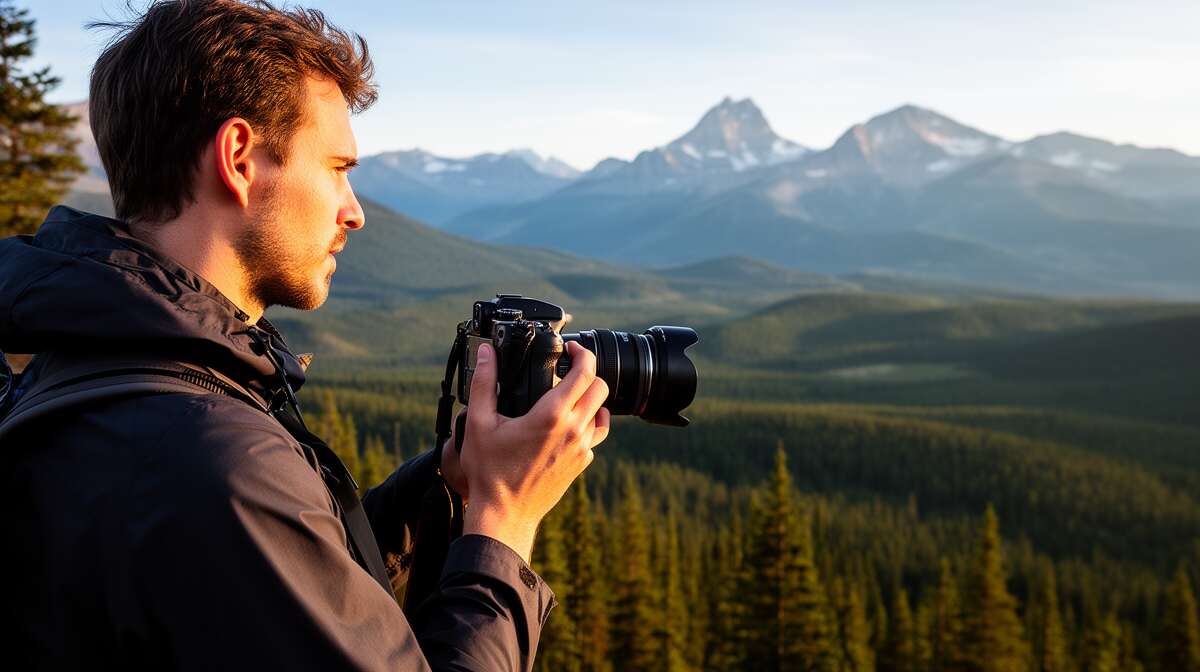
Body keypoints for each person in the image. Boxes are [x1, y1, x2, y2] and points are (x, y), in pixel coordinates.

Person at [0, 1, 610, 670]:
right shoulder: (216, 458)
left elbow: (279, 585)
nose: (354, 213)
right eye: (337, 169)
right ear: (238, 159)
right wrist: (504, 517)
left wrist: (441, 485)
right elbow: (236, 512)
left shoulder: (87, 365)